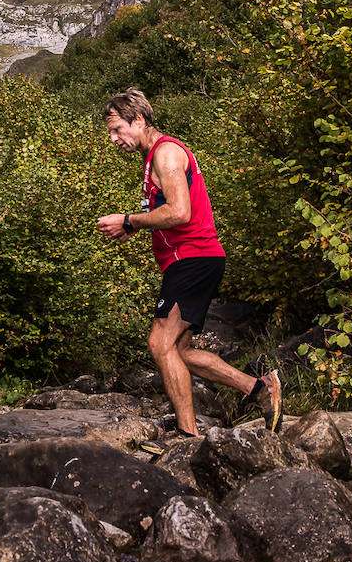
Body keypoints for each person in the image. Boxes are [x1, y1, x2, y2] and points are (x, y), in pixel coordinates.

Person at [97, 88, 283, 449]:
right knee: (180, 351)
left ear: (138, 120)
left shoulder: (166, 153)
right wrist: (133, 225)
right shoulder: (155, 157)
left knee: (159, 343)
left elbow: (180, 212)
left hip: (193, 258)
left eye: (117, 129)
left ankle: (187, 436)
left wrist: (130, 221)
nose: (113, 139)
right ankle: (260, 389)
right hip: (192, 260)